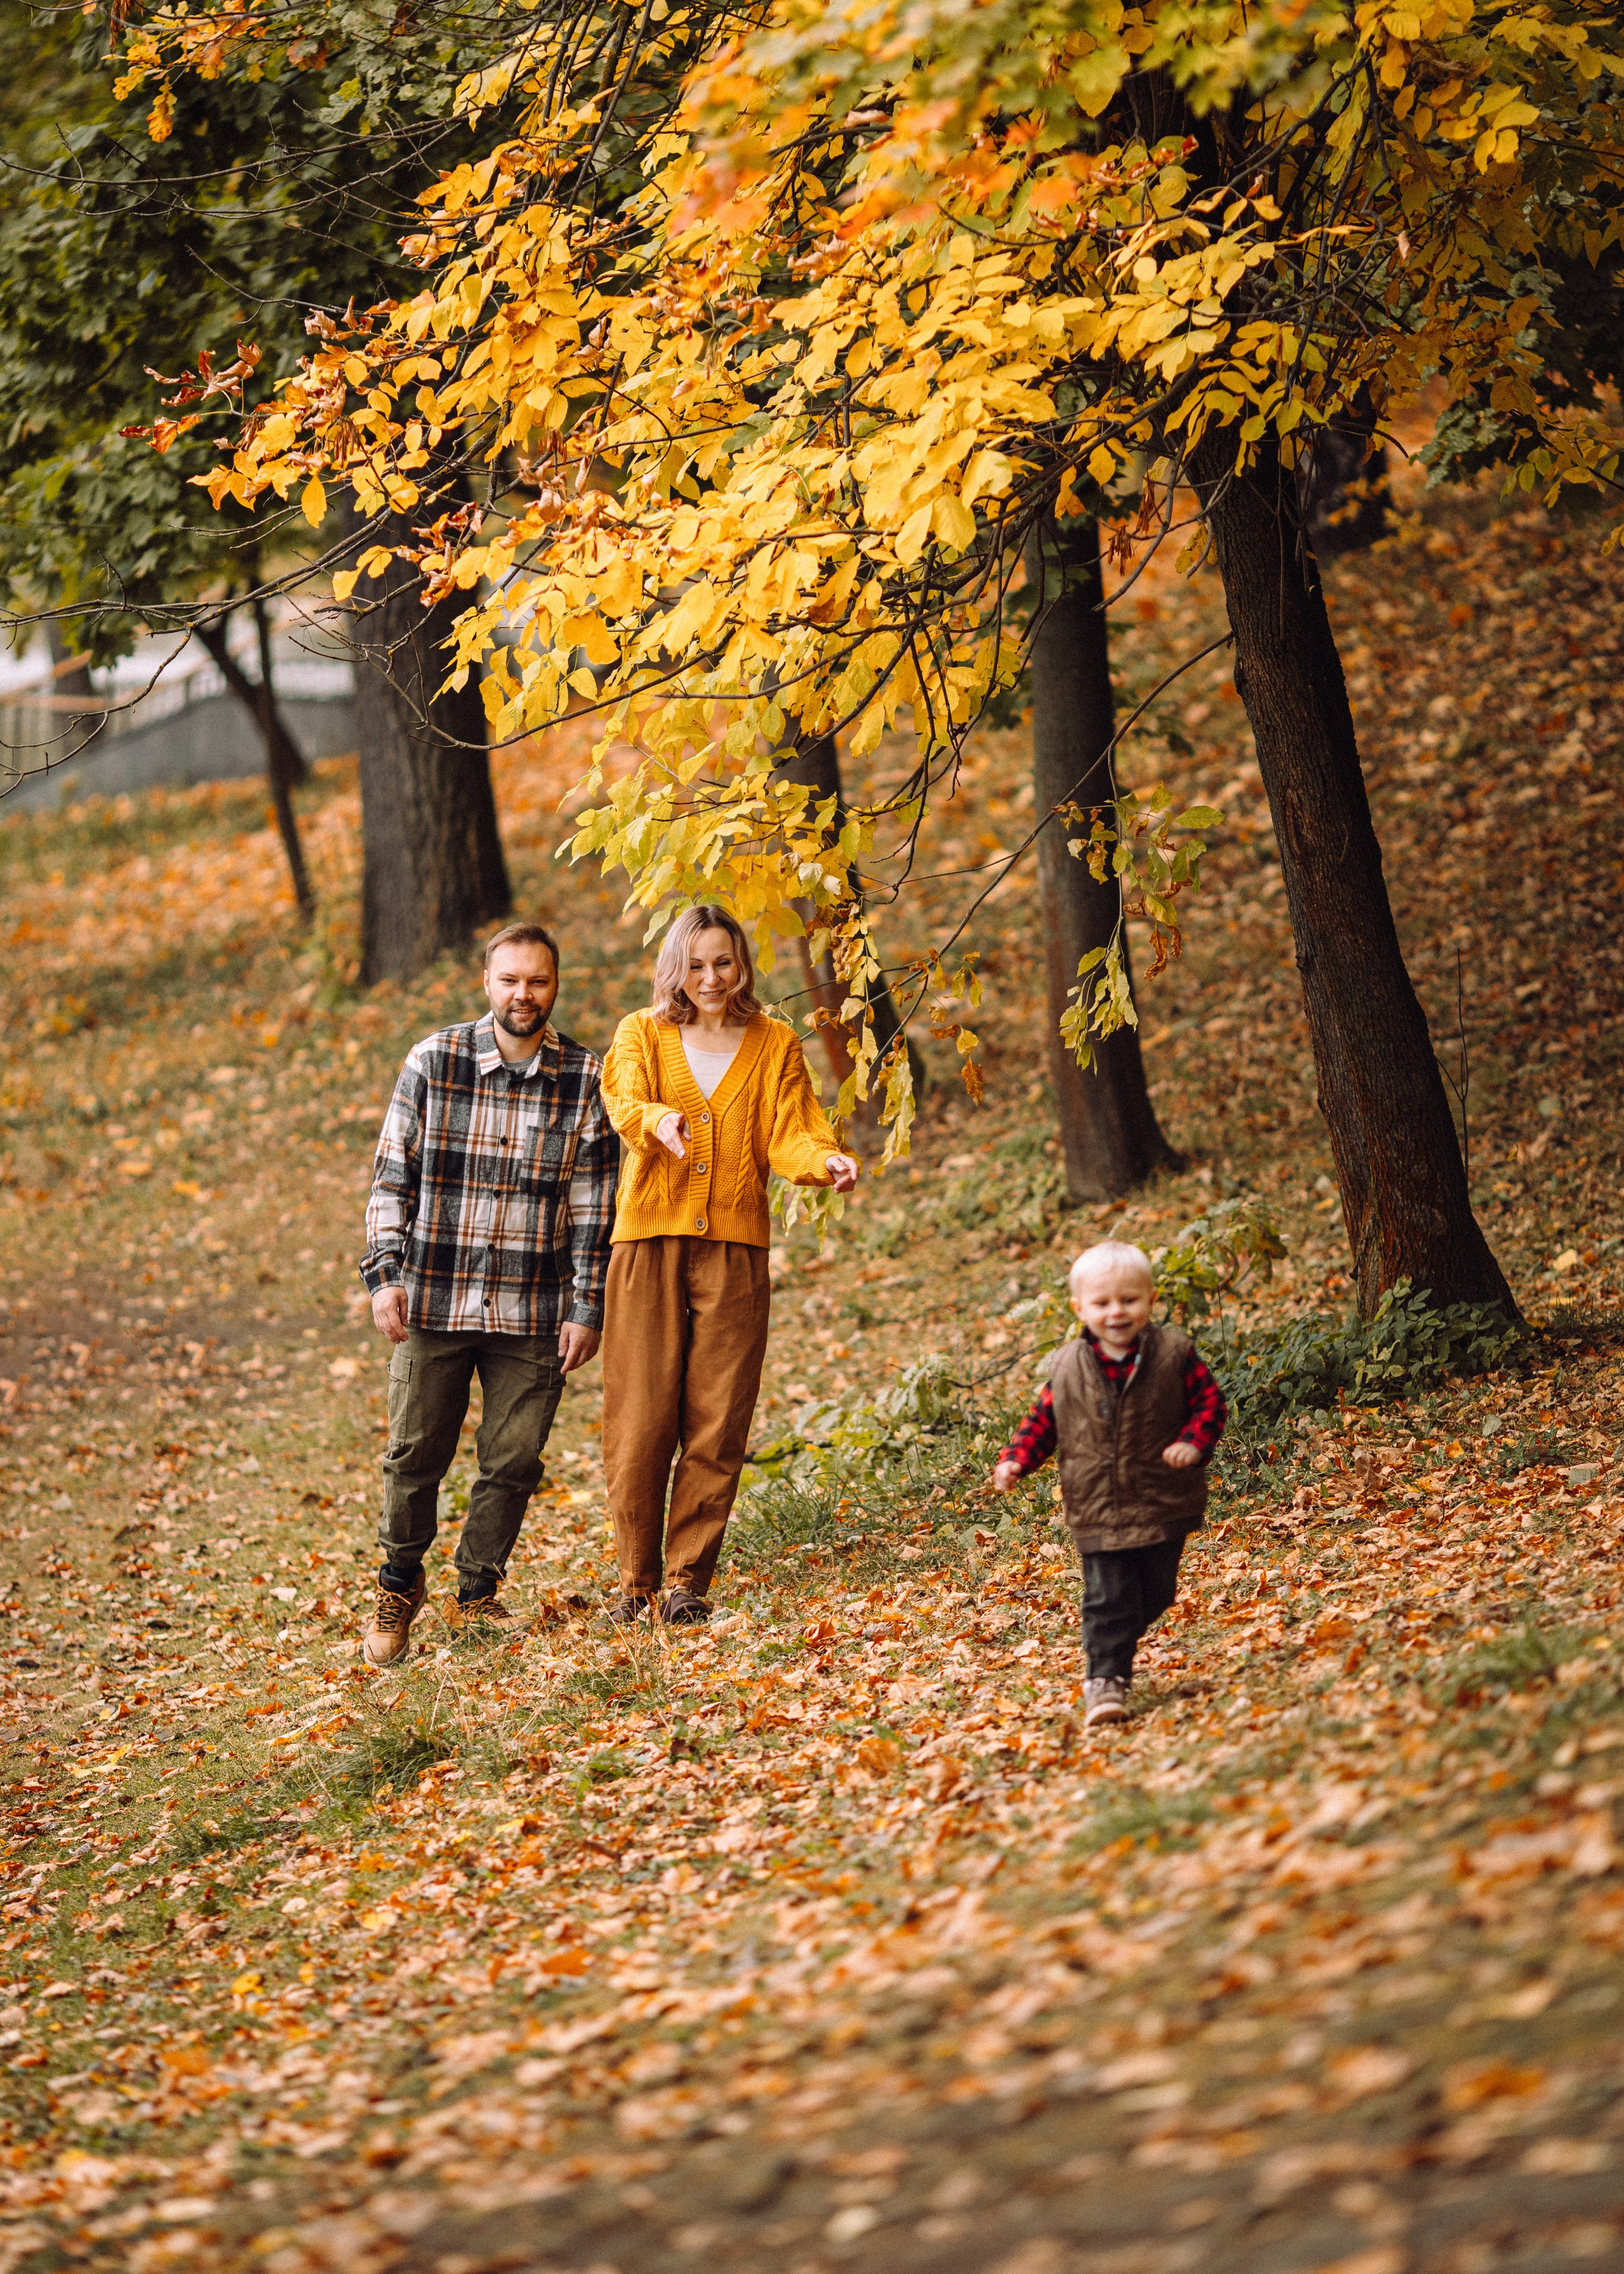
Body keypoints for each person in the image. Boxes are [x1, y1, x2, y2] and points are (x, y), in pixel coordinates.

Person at [357, 923, 617, 1666]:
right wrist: (384, 1276)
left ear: (554, 985)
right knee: (414, 1453)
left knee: (515, 1458)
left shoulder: (584, 1077)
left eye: (537, 981)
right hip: (434, 1299)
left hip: (533, 1308)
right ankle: (399, 1584)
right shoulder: (434, 1061)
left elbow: (595, 1208)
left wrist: (587, 1306)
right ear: (486, 983)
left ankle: (476, 1593)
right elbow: (391, 1179)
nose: (523, 994)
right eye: (510, 980)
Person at [599, 904, 859, 1626]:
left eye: (723, 962)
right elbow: (623, 1100)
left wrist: (825, 1161)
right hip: (648, 1242)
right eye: (695, 964)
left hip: (736, 1248)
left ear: (742, 964)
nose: (710, 978)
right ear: (674, 969)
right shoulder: (640, 1032)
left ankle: (686, 1581)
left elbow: (792, 1131)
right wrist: (658, 1119)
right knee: (641, 1416)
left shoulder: (774, 1042)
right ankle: (635, 1582)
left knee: (718, 1419)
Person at [992, 1240, 1226, 1728]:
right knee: (1109, 1596)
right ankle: (1105, 1678)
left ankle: (1113, 1643)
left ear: (1151, 1300)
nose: (1116, 1312)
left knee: (1157, 1591)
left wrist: (1193, 1441)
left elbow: (1210, 1404)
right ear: (1080, 1308)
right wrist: (1016, 1460)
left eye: (1129, 1299)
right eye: (1102, 1302)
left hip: (1162, 1497)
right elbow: (1043, 1423)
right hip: (1096, 1504)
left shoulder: (1174, 1354)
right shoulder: (1067, 1366)